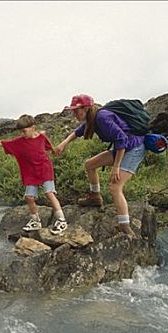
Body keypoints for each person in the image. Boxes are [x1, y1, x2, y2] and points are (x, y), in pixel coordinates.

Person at [55, 94, 145, 239]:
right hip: (123, 148)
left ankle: (125, 227)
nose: (74, 114)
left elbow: (121, 139)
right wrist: (63, 144)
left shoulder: (102, 117)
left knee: (115, 187)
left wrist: (116, 167)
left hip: (133, 148)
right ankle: (95, 197)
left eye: (76, 110)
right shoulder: (92, 118)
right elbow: (78, 132)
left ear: (85, 108)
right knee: (90, 164)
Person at [0, 115, 68, 235]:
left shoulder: (42, 138)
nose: (23, 134)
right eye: (21, 131)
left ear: (33, 128)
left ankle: (61, 220)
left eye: (24, 131)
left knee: (50, 193)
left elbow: (50, 148)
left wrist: (56, 151)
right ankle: (35, 220)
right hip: (30, 172)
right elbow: (3, 143)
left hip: (45, 169)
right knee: (29, 197)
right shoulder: (19, 142)